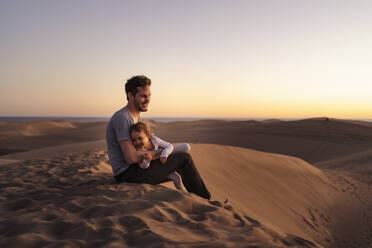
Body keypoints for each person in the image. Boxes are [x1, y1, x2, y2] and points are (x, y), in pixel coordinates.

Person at [106, 75, 211, 199]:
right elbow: (131, 157)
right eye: (143, 96)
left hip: (137, 168)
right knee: (184, 158)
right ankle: (205, 199)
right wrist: (162, 152)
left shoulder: (136, 117)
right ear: (130, 96)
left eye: (149, 96)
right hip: (128, 174)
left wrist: (164, 151)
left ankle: (197, 199)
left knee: (177, 163)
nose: (148, 100)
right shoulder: (123, 118)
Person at [130, 121, 190, 191]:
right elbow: (142, 166)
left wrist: (164, 154)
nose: (137, 142)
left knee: (186, 147)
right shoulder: (139, 150)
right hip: (157, 167)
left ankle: (186, 193)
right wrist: (146, 161)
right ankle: (186, 193)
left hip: (163, 158)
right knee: (176, 177)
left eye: (140, 138)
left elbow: (169, 146)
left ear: (148, 135)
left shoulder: (154, 140)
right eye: (134, 140)